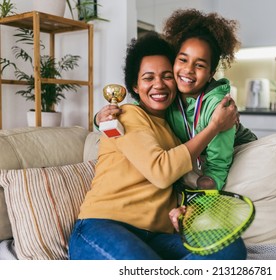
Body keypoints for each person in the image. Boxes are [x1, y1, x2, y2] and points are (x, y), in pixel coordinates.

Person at [68, 32, 246, 260]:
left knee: (229, 246)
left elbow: (179, 177)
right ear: (134, 84)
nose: (158, 85)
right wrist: (214, 127)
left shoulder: (175, 128)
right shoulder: (128, 115)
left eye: (166, 76)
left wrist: (185, 210)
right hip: (102, 227)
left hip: (155, 236)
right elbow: (162, 171)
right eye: (148, 78)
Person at [95, 9, 257, 190]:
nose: (188, 70)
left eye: (200, 65)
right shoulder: (171, 97)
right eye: (183, 60)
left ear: (211, 73)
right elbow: (140, 115)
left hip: (236, 153)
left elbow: (218, 163)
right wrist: (101, 119)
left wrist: (209, 182)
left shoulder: (217, 106)